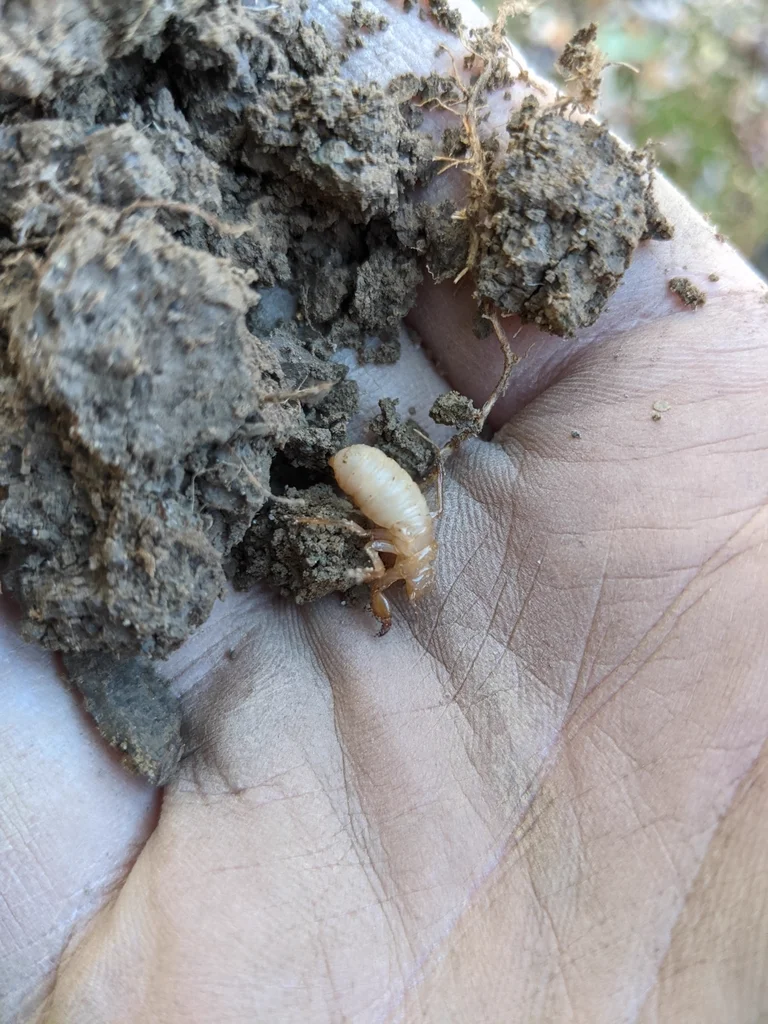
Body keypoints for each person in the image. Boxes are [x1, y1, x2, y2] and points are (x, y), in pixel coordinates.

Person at [3, 0, 767, 1020]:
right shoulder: (399, 551)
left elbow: (385, 547)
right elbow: (384, 550)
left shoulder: (402, 548)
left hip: (379, 487)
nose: (392, 593)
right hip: (377, 483)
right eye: (397, 586)